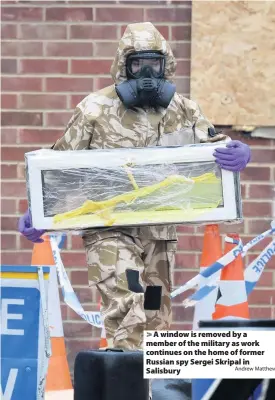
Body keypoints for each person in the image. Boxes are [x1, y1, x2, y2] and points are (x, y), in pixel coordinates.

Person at [19, 22, 251, 351]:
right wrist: (37, 212)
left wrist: (237, 152)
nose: (145, 72)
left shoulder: (183, 110)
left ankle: (143, 388)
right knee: (128, 303)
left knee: (155, 316)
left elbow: (213, 149)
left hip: (159, 235)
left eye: (153, 63)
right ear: (123, 66)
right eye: (137, 63)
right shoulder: (95, 110)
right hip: (109, 229)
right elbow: (58, 166)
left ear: (165, 65)